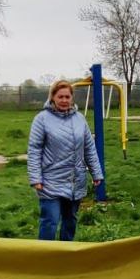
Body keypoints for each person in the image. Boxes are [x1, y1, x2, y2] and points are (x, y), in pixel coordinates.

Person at [27, 80, 104, 241]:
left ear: (72, 98)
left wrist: (97, 173)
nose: (64, 100)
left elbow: (89, 147)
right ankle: (45, 256)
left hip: (75, 181)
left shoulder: (80, 119)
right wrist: (35, 178)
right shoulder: (41, 119)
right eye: (60, 96)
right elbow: (34, 150)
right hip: (50, 181)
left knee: (70, 221)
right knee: (50, 221)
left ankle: (65, 255)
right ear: (52, 97)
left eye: (67, 97)